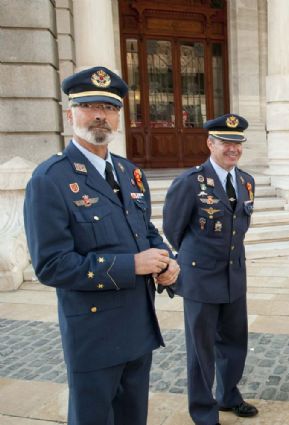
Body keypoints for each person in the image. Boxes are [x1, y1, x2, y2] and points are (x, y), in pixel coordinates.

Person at [23, 66, 179, 425]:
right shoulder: (51, 179)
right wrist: (132, 265)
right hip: (93, 335)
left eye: (109, 108)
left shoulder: (130, 173)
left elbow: (146, 231)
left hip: (138, 327)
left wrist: (168, 260)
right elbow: (51, 265)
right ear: (70, 114)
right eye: (89, 105)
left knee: (132, 418)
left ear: (118, 116)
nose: (99, 115)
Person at [163, 114, 258, 425]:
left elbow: (240, 226)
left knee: (234, 343)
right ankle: (204, 411)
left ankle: (229, 395)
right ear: (210, 143)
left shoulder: (246, 181)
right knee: (201, 350)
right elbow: (173, 230)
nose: (233, 149)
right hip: (200, 279)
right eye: (226, 142)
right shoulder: (190, 182)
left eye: (238, 143)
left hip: (234, 277)